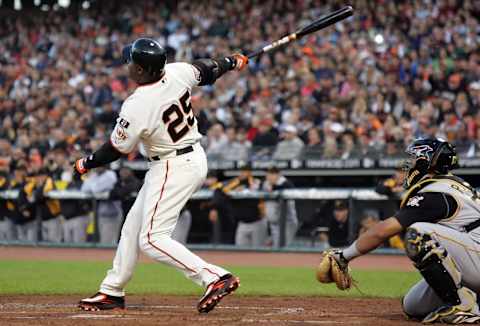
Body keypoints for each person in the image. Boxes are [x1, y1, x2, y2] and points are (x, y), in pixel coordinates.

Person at [75, 38, 247, 313]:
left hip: (173, 165)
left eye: (130, 62)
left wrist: (86, 162)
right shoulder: (177, 71)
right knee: (132, 226)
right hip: (184, 159)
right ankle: (111, 291)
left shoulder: (138, 103)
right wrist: (231, 62)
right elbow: (206, 69)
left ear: (142, 70)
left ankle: (214, 277)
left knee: (152, 238)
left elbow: (116, 149)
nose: (127, 65)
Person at [325, 138, 480, 324]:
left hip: (476, 257)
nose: (409, 163)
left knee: (419, 234)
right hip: (472, 257)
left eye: (414, 158)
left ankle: (463, 305)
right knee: (412, 306)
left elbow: (383, 231)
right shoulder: (449, 185)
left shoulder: (436, 193)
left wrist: (344, 256)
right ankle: (472, 298)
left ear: (427, 161)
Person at [81, 166, 122, 245]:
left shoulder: (110, 175)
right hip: (101, 213)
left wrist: (93, 185)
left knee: (109, 242)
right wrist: (93, 184)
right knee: (103, 241)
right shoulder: (95, 175)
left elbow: (96, 189)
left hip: (113, 214)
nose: (97, 167)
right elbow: (84, 188)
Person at [262, 167, 298, 247]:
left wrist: (273, 188)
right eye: (268, 174)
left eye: (271, 174)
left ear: (278, 175)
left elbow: (285, 190)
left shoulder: (286, 183)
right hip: (273, 223)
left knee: (284, 247)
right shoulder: (266, 184)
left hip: (287, 223)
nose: (268, 176)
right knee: (276, 248)